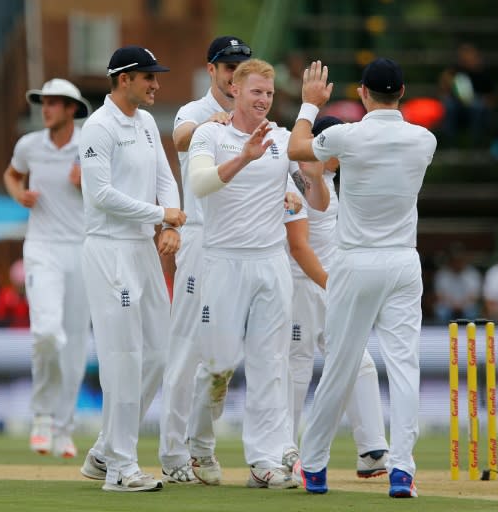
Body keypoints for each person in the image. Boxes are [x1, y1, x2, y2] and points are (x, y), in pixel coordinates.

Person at [287, 58, 437, 498]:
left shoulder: (345, 136)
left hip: (355, 261)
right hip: (403, 262)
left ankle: (313, 467)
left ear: (363, 94)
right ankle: (402, 471)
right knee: (405, 366)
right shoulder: (424, 140)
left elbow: (299, 149)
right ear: (403, 92)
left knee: (341, 363)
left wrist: (309, 106)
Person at [185, 58, 329, 489]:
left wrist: (316, 177)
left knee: (270, 363)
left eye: (268, 93)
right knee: (218, 365)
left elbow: (317, 202)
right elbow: (200, 185)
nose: (263, 100)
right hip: (222, 262)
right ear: (235, 90)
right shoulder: (210, 134)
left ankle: (264, 461)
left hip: (270, 263)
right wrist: (244, 158)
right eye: (256, 92)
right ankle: (199, 448)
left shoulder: (282, 140)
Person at [77, 45, 185, 493]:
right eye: (148, 78)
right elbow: (100, 195)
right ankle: (121, 468)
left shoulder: (143, 124)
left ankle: (105, 451)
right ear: (124, 79)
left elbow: (165, 175)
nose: (156, 84)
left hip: (140, 247)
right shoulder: (98, 128)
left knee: (158, 353)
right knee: (123, 358)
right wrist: (158, 213)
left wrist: (168, 221)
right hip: (109, 250)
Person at [158, 35, 252, 484]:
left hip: (239, 245)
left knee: (224, 356)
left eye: (241, 64)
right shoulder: (196, 112)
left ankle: (201, 446)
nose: (234, 72)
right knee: (187, 347)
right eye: (227, 65)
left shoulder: (254, 117)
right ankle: (173, 454)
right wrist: (209, 127)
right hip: (198, 239)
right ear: (212, 70)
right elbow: (177, 138)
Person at [284, 116, 389, 479]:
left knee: (358, 362)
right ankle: (286, 452)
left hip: (330, 286)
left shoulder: (326, 178)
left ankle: (372, 451)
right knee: (296, 367)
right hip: (300, 287)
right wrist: (332, 284)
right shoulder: (293, 177)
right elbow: (298, 247)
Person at [2, 78, 92, 458]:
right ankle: (42, 416)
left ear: (72, 109)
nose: (47, 108)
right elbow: (11, 174)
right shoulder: (29, 145)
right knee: (47, 333)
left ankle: (63, 427)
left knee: (73, 348)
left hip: (82, 251)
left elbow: (111, 190)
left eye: (54, 103)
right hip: (42, 248)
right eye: (44, 102)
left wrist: (86, 183)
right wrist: (19, 194)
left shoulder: (88, 144)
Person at [438, 43, 496, 147]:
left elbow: (491, 96)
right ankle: (450, 143)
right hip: (457, 104)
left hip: (476, 103)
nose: (466, 57)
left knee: (477, 106)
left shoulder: (483, 71)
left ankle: (475, 143)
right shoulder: (455, 70)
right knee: (449, 106)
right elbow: (444, 88)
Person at [433, 242, 482, 323]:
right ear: (450, 260)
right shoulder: (442, 274)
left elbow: (475, 296)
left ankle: (471, 333)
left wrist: (461, 305)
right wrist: (453, 305)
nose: (457, 263)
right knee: (440, 311)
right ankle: (442, 333)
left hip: (467, 305)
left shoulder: (472, 273)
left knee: (472, 311)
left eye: (459, 260)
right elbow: (439, 296)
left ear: (464, 259)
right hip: (448, 305)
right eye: (455, 260)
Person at [0, 259, 30, 328]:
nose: (21, 289)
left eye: (23, 286)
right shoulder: (5, 294)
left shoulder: (35, 297)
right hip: (9, 333)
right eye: (19, 285)